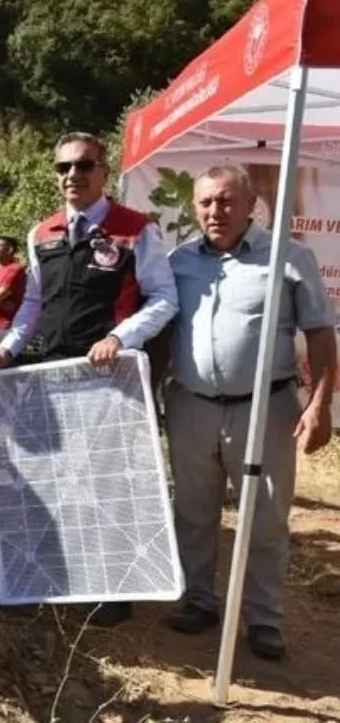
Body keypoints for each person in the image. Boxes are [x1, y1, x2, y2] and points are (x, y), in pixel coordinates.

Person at [0, 131, 179, 626]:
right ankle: (66, 577)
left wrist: (119, 337)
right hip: (54, 378)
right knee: (61, 481)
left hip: (111, 379)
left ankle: (114, 589)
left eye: (84, 165)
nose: (73, 175)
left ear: (104, 171)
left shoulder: (135, 230)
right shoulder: (41, 233)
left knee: (111, 483)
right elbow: (33, 303)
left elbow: (164, 298)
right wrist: (5, 350)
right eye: (63, 167)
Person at [162, 164, 336, 660]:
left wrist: (320, 404)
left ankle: (263, 620)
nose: (215, 211)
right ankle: (200, 601)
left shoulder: (289, 257)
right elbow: (160, 329)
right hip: (190, 406)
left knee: (265, 519)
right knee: (193, 512)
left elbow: (320, 334)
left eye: (226, 201)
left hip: (266, 410)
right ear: (195, 207)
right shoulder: (178, 262)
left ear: (250, 206)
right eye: (206, 202)